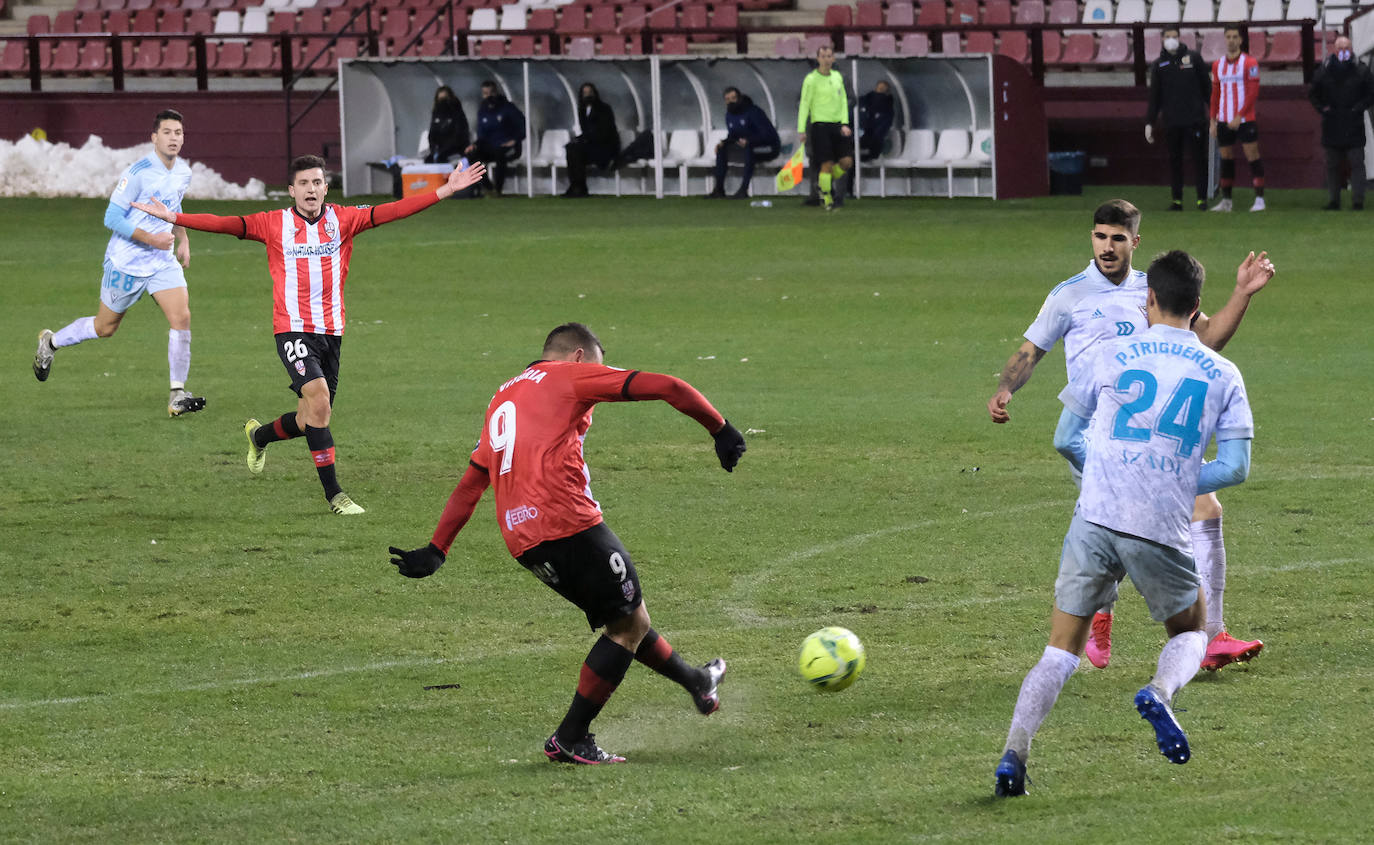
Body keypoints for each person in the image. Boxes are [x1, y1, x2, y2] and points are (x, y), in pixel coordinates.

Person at [387, 323, 747, 765]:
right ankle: (571, 737)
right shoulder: (570, 376)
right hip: (566, 521)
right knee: (626, 626)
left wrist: (438, 548)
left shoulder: (503, 395)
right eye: (596, 367)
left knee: (627, 616)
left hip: (522, 539)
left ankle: (696, 681)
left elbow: (472, 481)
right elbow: (668, 386)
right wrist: (720, 427)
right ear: (577, 357)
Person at [993, 248, 1267, 797]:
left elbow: (1066, 438)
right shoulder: (1223, 373)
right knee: (1191, 630)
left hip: (1094, 517)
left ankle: (1012, 756)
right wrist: (1167, 479)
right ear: (1196, 308)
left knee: (1057, 651)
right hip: (1158, 523)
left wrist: (1111, 472)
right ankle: (1160, 693)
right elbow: (1235, 468)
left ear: (1148, 298)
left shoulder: (1110, 358)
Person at [986, 199, 1268, 672]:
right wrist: (1004, 388)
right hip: (1096, 435)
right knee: (1108, 528)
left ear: (1135, 241)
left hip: (1154, 432)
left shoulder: (1154, 290)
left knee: (1204, 505)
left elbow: (1208, 340)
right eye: (1100, 237)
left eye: (1118, 238)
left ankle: (1212, 635)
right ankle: (1102, 616)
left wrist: (1242, 293)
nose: (1107, 246)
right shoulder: (1070, 295)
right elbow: (1031, 350)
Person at [131, 155, 486, 515]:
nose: (311, 189)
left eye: (317, 183)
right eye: (303, 183)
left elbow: (394, 210)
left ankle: (259, 436)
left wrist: (444, 191)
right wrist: (175, 218)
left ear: (326, 188)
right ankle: (335, 495)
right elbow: (224, 223)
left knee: (311, 418)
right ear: (291, 191)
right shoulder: (272, 223)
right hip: (291, 328)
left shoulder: (344, 219)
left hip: (331, 331)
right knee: (318, 402)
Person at [33, 109, 205, 418]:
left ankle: (177, 394)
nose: (173, 138)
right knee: (105, 327)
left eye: (178, 132)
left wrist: (182, 237)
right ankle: (51, 341)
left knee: (182, 317)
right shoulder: (138, 172)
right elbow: (111, 218)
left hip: (161, 262)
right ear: (154, 137)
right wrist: (151, 239)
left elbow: (172, 206)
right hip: (126, 262)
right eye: (167, 132)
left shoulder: (183, 172)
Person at [1145, 26, 1212, 211]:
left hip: (1195, 119)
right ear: (1163, 39)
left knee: (1200, 160)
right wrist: (1149, 122)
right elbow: (1155, 97)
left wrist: (1215, 113)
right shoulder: (1159, 65)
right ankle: (1177, 200)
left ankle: (1201, 199)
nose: (1171, 39)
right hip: (1172, 121)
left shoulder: (1194, 58)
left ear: (1180, 38)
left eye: (1174, 36)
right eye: (1168, 37)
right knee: (1175, 161)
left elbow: (1208, 89)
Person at [1308, 35, 1374, 211]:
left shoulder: (1361, 70)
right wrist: (1324, 109)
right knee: (1332, 164)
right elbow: (1313, 92)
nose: (1343, 52)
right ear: (1334, 50)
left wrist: (1359, 108)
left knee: (1357, 163)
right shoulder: (1324, 71)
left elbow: (1371, 93)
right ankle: (1333, 201)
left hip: (1354, 124)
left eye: (1346, 48)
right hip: (1332, 123)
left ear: (1351, 50)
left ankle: (1358, 201)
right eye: (1340, 48)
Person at [1209, 25, 1266, 212]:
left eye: (1235, 37)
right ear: (1224, 39)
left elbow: (1253, 93)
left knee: (1252, 156)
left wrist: (1239, 115)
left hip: (1245, 119)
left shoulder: (1250, 63)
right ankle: (1227, 201)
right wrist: (1213, 120)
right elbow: (1215, 93)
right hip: (1224, 119)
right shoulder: (1218, 65)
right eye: (1228, 37)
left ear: (1241, 40)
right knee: (1226, 158)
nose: (1231, 40)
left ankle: (1259, 199)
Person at [798, 44, 854, 210]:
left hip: (837, 126)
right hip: (820, 126)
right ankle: (828, 199)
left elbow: (846, 100)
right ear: (818, 59)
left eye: (829, 56)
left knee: (846, 162)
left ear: (833, 58)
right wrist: (801, 129)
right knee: (825, 163)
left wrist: (844, 123)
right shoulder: (810, 79)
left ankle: (825, 185)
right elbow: (803, 104)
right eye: (823, 56)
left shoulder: (839, 77)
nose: (826, 59)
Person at [706, 87, 781, 199]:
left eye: (733, 98)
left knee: (748, 148)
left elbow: (768, 135)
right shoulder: (729, 115)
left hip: (769, 148)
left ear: (739, 98)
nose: (730, 102)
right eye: (727, 99)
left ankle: (743, 190)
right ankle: (719, 190)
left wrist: (749, 141)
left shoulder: (754, 112)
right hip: (745, 148)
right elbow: (733, 136)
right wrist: (724, 142)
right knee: (722, 149)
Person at [464, 80, 526, 197]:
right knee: (471, 155)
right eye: (486, 93)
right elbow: (482, 134)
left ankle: (498, 189)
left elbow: (523, 126)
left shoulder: (508, 108)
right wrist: (475, 144)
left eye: (491, 92)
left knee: (499, 154)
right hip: (491, 147)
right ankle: (487, 186)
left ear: (496, 92)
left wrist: (515, 140)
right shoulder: (483, 110)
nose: (489, 96)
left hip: (510, 147)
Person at [563, 83, 620, 198]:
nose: (587, 95)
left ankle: (579, 187)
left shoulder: (604, 109)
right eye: (585, 93)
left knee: (576, 150)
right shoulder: (582, 111)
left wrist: (584, 140)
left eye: (590, 92)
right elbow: (586, 132)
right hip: (590, 147)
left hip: (604, 148)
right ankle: (576, 185)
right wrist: (579, 139)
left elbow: (604, 133)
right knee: (571, 148)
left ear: (595, 93)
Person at [423, 86, 469, 165]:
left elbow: (459, 136)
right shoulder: (436, 113)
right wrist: (433, 149)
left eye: (445, 98)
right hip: (440, 149)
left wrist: (444, 149)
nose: (443, 102)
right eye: (441, 99)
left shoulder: (457, 112)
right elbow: (432, 134)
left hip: (455, 149)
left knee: (441, 158)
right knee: (428, 160)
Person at [857, 79, 896, 163]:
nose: (880, 90)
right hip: (864, 135)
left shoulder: (887, 108)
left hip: (874, 139)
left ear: (887, 91)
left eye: (882, 89)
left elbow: (883, 127)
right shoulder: (865, 101)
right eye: (879, 88)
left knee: (875, 139)